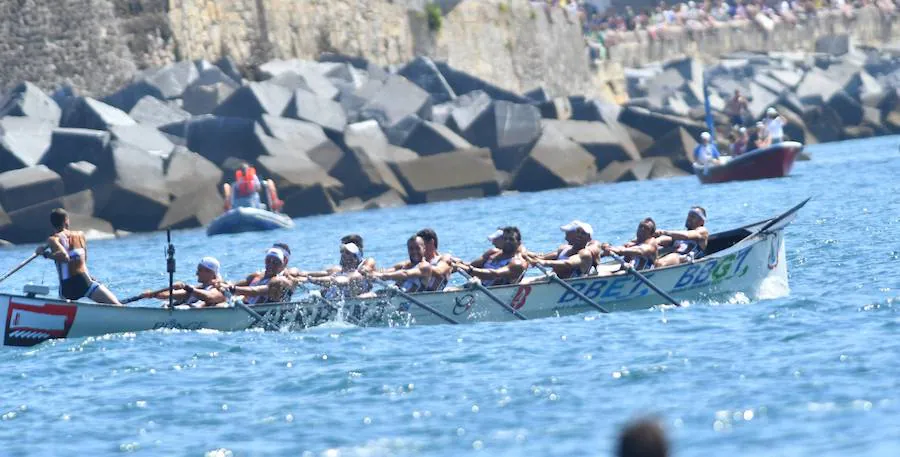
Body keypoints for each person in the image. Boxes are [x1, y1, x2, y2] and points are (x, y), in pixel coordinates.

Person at [34, 208, 121, 304]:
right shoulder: (80, 235)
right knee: (116, 305)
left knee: (64, 299)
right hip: (85, 281)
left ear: (52, 224)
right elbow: (83, 259)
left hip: (68, 288)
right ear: (66, 220)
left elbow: (64, 257)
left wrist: (45, 254)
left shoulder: (53, 239)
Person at [291, 235, 378, 298]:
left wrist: (311, 280)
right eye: (342, 251)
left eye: (346, 251)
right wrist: (295, 276)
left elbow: (341, 280)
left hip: (355, 291)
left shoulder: (366, 263)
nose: (342, 253)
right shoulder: (337, 269)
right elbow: (312, 274)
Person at [453, 227, 528, 287]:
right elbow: (472, 265)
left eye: (511, 239)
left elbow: (495, 274)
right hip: (476, 287)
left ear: (518, 243)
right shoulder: (492, 253)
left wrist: (469, 270)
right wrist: (456, 265)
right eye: (505, 239)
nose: (507, 241)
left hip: (495, 293)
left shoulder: (517, 263)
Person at [372, 236, 446, 293]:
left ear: (424, 249)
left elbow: (405, 274)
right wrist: (371, 273)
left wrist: (381, 276)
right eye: (411, 249)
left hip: (410, 301)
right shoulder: (406, 265)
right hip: (396, 296)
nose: (414, 252)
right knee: (368, 296)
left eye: (417, 248)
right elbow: (387, 271)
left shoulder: (425, 267)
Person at [143, 257, 226, 307]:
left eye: (200, 270)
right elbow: (168, 295)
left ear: (211, 273)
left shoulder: (219, 288)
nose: (196, 273)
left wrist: (186, 287)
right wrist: (153, 294)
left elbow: (209, 297)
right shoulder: (199, 288)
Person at [221, 246, 293, 305]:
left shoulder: (278, 281)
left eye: (275, 262)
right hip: (246, 306)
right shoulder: (256, 276)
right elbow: (236, 284)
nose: (271, 264)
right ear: (265, 262)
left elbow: (255, 291)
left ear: (281, 265)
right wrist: (221, 284)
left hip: (257, 311)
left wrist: (233, 289)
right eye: (268, 261)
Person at [526, 220, 597, 279]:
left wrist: (543, 262)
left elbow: (568, 263)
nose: (579, 235)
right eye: (578, 232)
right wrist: (525, 254)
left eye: (583, 234)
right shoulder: (563, 248)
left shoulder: (585, 254)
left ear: (589, 239)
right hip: (554, 282)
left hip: (570, 285)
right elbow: (541, 258)